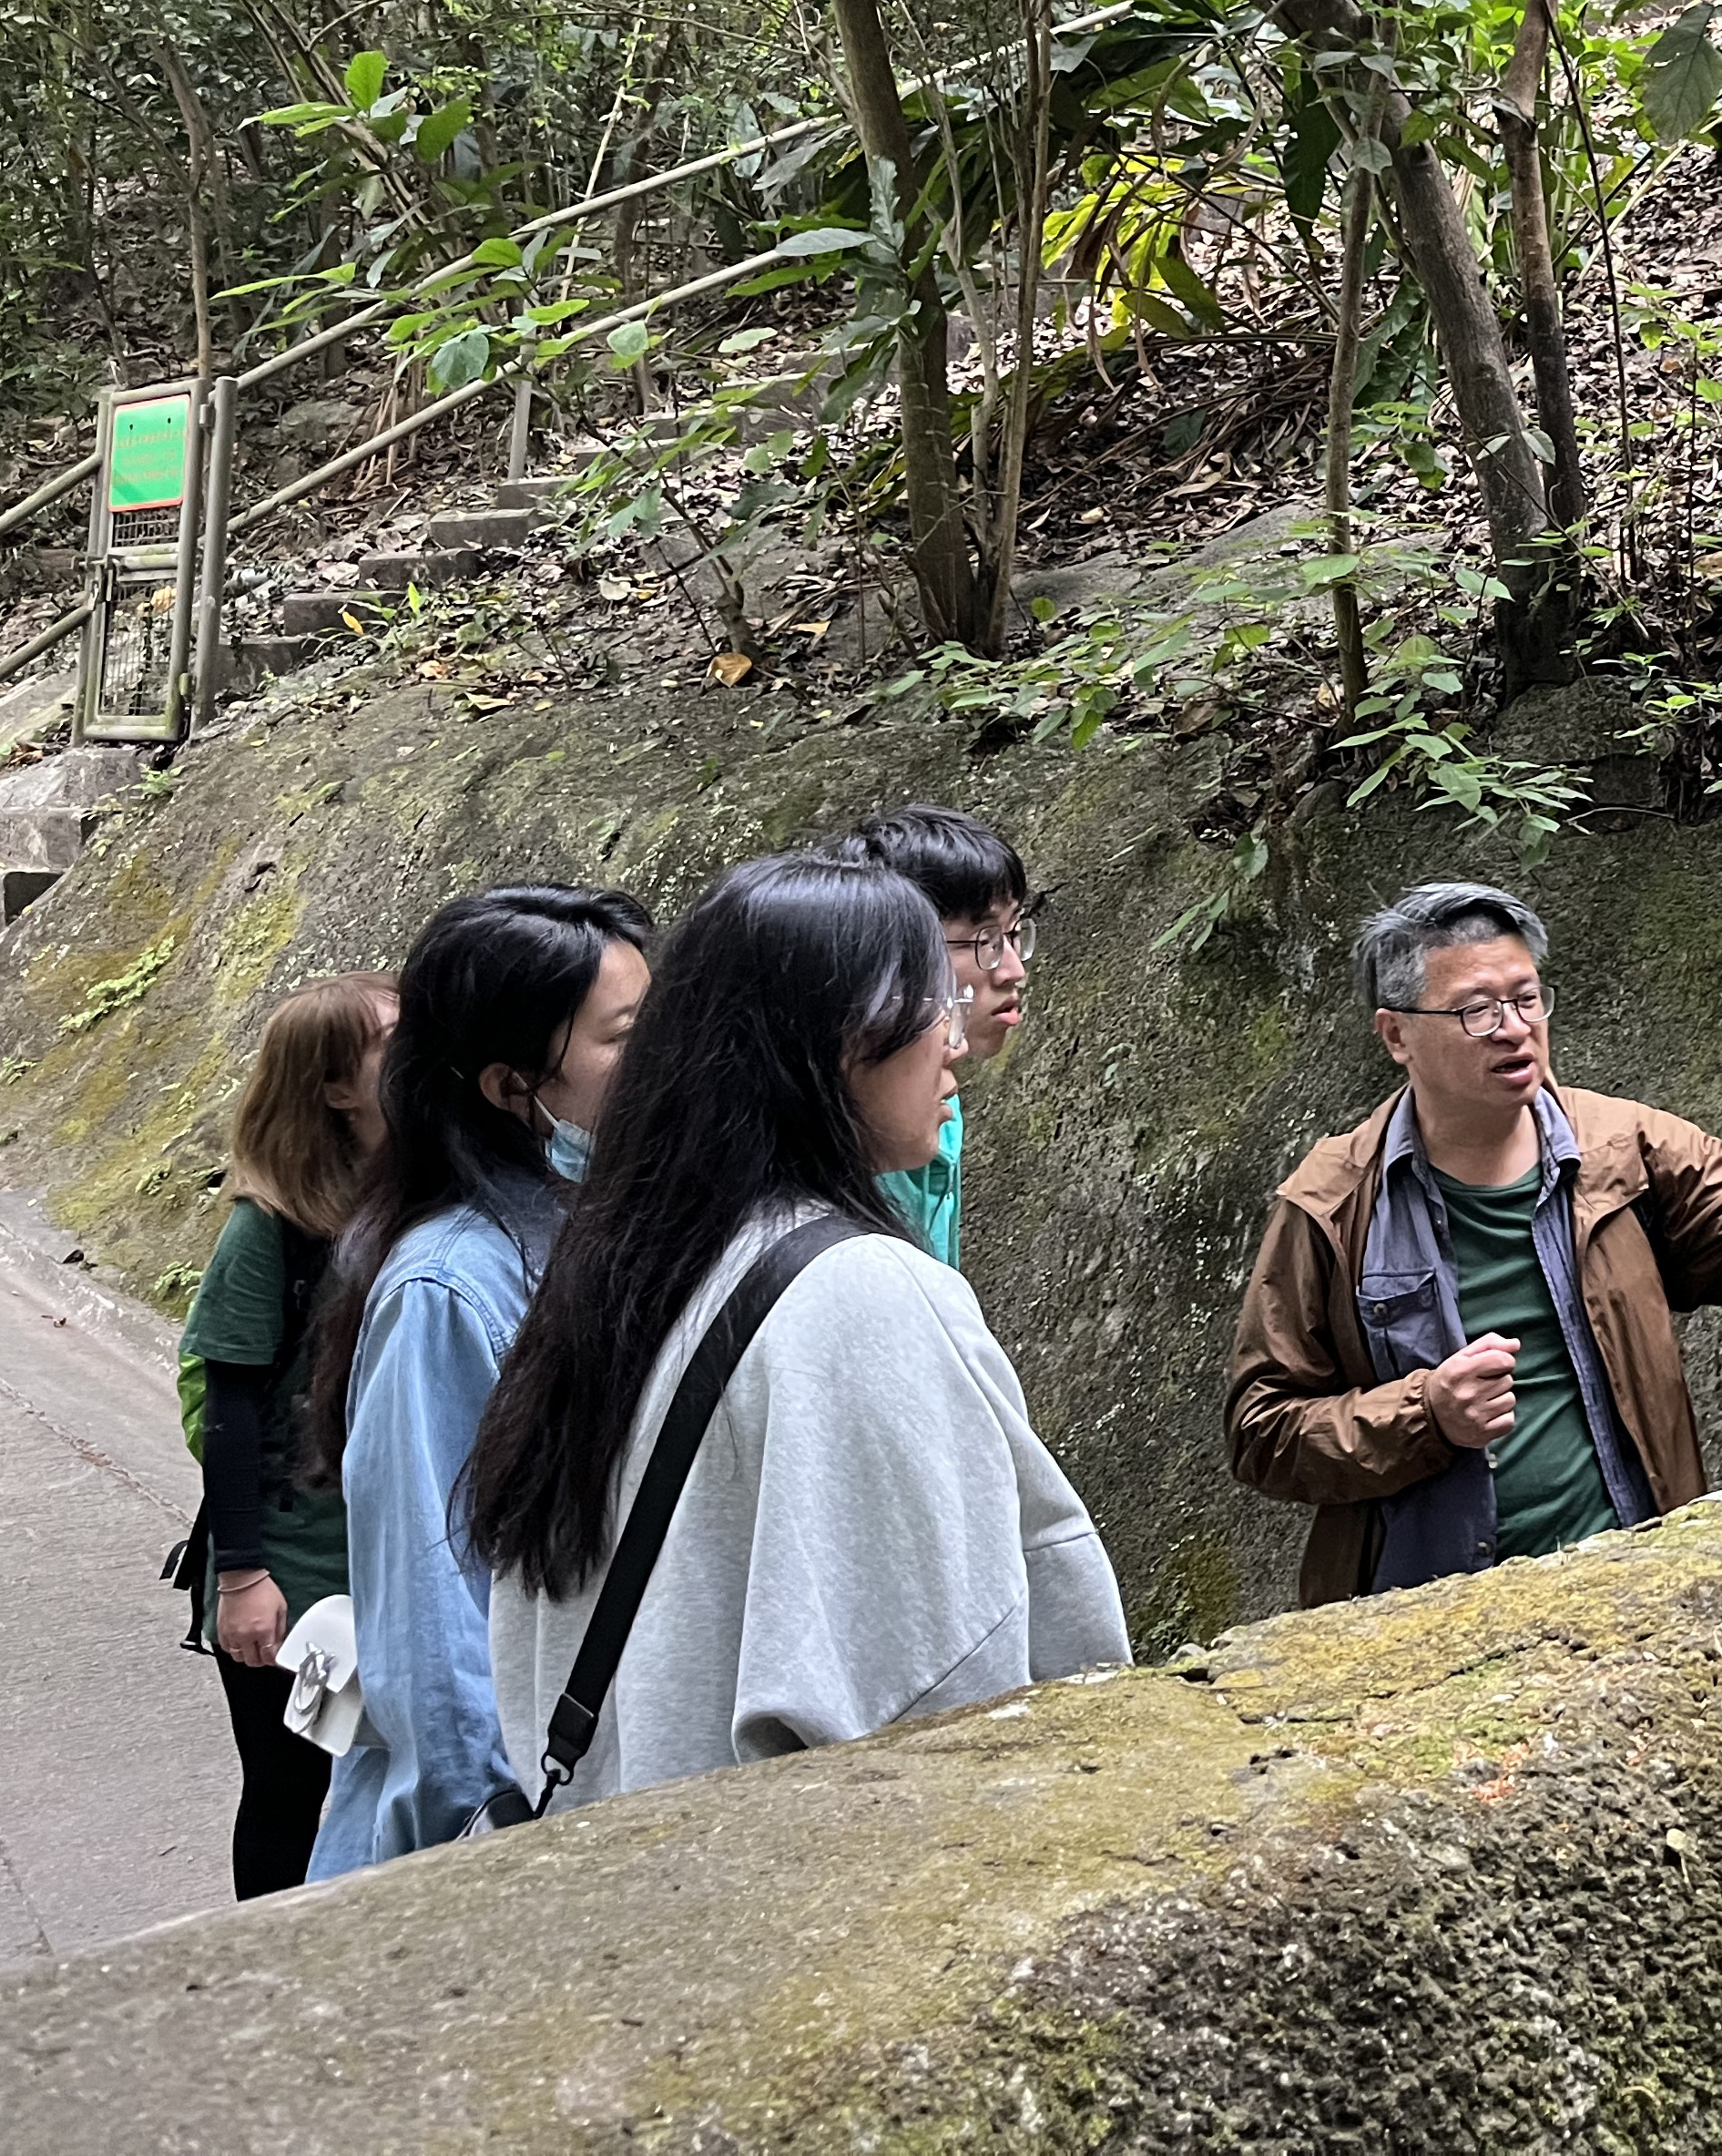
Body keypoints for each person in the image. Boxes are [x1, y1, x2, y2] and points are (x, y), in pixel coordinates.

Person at [469, 854, 1127, 1814]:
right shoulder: (866, 1294)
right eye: (931, 1004)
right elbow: (945, 1687)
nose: (953, 1041)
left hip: (624, 1862)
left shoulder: (632, 1259)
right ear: (826, 1046)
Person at [1225, 881, 1722, 1606]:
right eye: (1476, 1010)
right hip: (1423, 1624)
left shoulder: (1626, 1150)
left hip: (1628, 1586)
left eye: (1527, 998)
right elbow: (1263, 1431)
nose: (1514, 1028)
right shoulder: (1332, 1203)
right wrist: (1424, 1416)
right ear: (1397, 1035)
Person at [302, 884, 652, 1877]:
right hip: (500, 1834)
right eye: (625, 1036)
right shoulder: (447, 1287)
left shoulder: (590, 1228)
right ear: (511, 1087)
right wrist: (487, 1834)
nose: (662, 1061)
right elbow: (430, 1609)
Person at [177, 971, 394, 1896]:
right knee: (291, 1783)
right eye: (392, 1043)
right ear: (337, 1087)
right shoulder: (270, 1225)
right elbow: (226, 1405)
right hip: (294, 1575)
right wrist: (242, 1580)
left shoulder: (415, 1192)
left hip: (377, 1559)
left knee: (374, 1776)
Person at [830, 804, 1034, 1270]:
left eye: (1014, 933)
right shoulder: (867, 1124)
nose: (1014, 971)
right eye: (984, 941)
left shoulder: (942, 1104)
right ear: (893, 956)